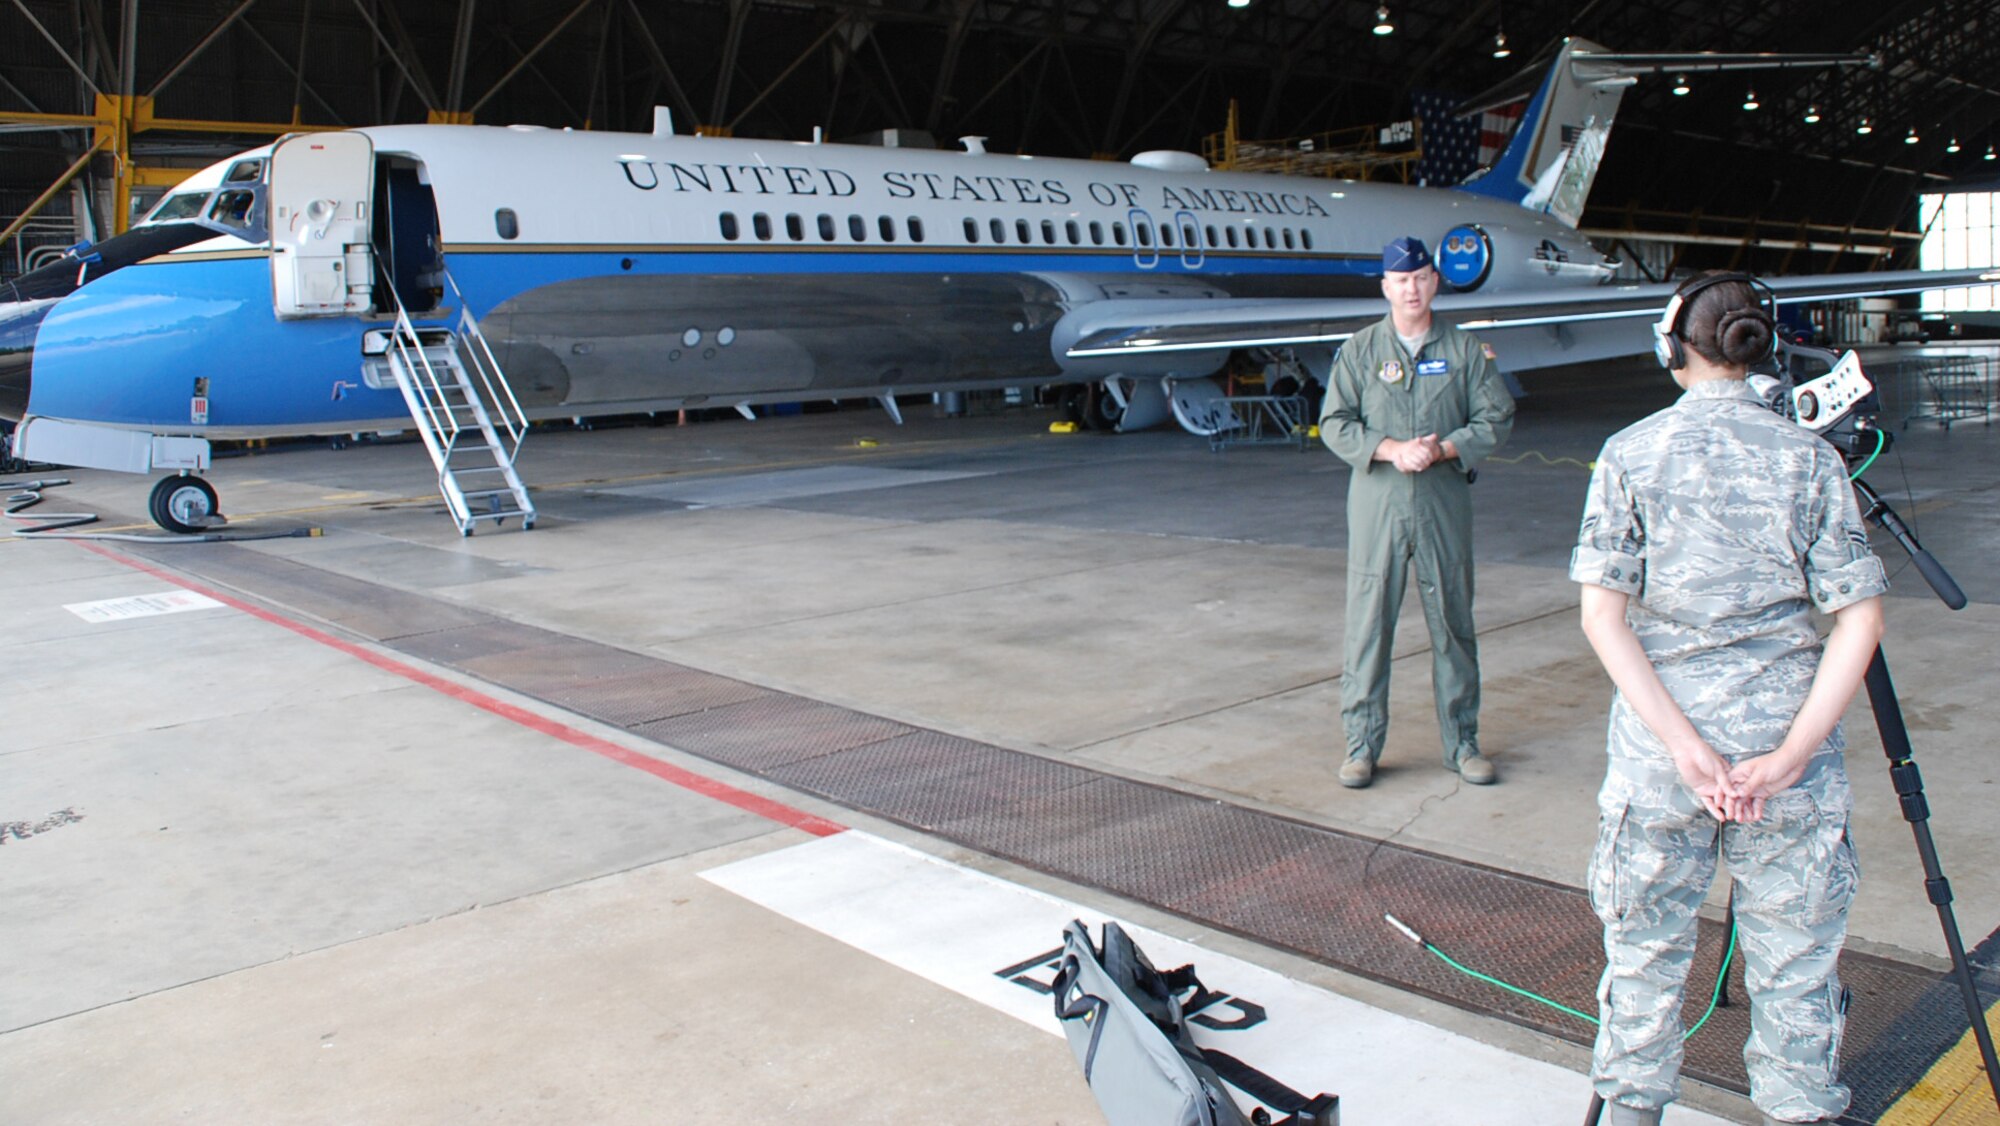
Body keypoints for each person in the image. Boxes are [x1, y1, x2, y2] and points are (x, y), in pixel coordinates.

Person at [1570, 272, 1887, 1126]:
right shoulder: (1811, 458)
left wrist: (1684, 748)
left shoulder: (1630, 453)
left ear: (1672, 347)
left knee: (1644, 957)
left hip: (1662, 763)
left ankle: (1632, 1111)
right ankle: (1799, 1107)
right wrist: (1789, 758)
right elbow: (1859, 622)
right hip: (1786, 758)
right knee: (1796, 967)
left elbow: (1604, 618)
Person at [1319, 236, 1515, 789]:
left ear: (1435, 282)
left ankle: (1463, 744)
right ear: (1386, 287)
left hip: (1441, 503)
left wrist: (1444, 449)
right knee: (1368, 627)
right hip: (1378, 504)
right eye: (1402, 280)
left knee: (1453, 623)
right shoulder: (1360, 351)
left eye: (1421, 278)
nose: (1412, 289)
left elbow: (1496, 417)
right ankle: (1361, 747)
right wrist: (1391, 449)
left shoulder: (1465, 350)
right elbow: (1334, 422)